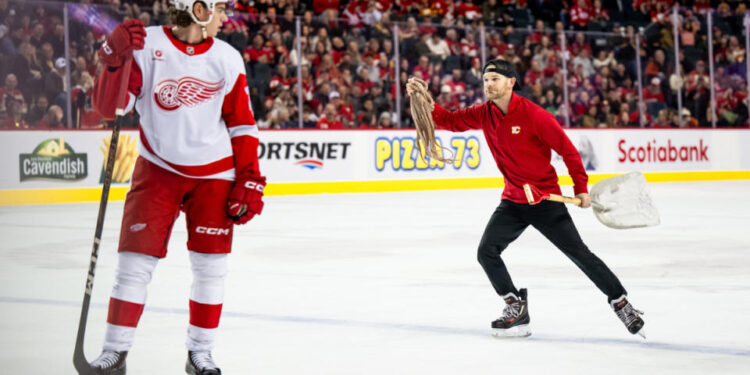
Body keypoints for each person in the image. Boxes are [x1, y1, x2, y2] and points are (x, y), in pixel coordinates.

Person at [407, 58, 644, 338]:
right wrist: (422, 99)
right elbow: (448, 121)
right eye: (485, 80)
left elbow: (568, 151)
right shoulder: (484, 114)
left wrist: (581, 188)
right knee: (486, 253)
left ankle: (621, 303)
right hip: (513, 202)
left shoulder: (535, 116)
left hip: (546, 201)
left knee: (580, 255)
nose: (488, 85)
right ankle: (515, 306)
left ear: (511, 82)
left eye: (494, 79)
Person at [88, 0, 265, 373]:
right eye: (218, 9)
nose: (224, 17)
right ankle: (115, 352)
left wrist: (249, 176)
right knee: (133, 266)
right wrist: (114, 60)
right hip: (158, 169)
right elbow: (111, 109)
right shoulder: (147, 45)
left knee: (210, 268)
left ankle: (200, 353)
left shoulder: (228, 57)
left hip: (215, 175)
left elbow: (242, 124)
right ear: (197, 9)